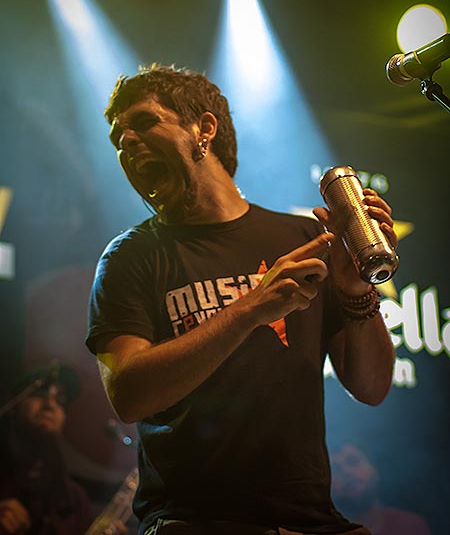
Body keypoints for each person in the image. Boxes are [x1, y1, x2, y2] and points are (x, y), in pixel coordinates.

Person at [87, 64, 397, 535]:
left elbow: (372, 387)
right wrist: (252, 307)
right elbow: (128, 393)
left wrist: (357, 291)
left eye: (145, 122)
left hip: (310, 522)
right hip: (193, 522)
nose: (125, 142)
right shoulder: (129, 257)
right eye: (117, 138)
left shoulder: (301, 236)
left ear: (203, 128)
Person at [0, 363, 93, 534]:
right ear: (13, 405)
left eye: (61, 400)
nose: (50, 405)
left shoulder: (75, 499)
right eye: (40, 393)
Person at [330, 444, 432, 535]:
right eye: (335, 468)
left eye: (353, 461)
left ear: (374, 469)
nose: (346, 472)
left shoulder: (410, 525)